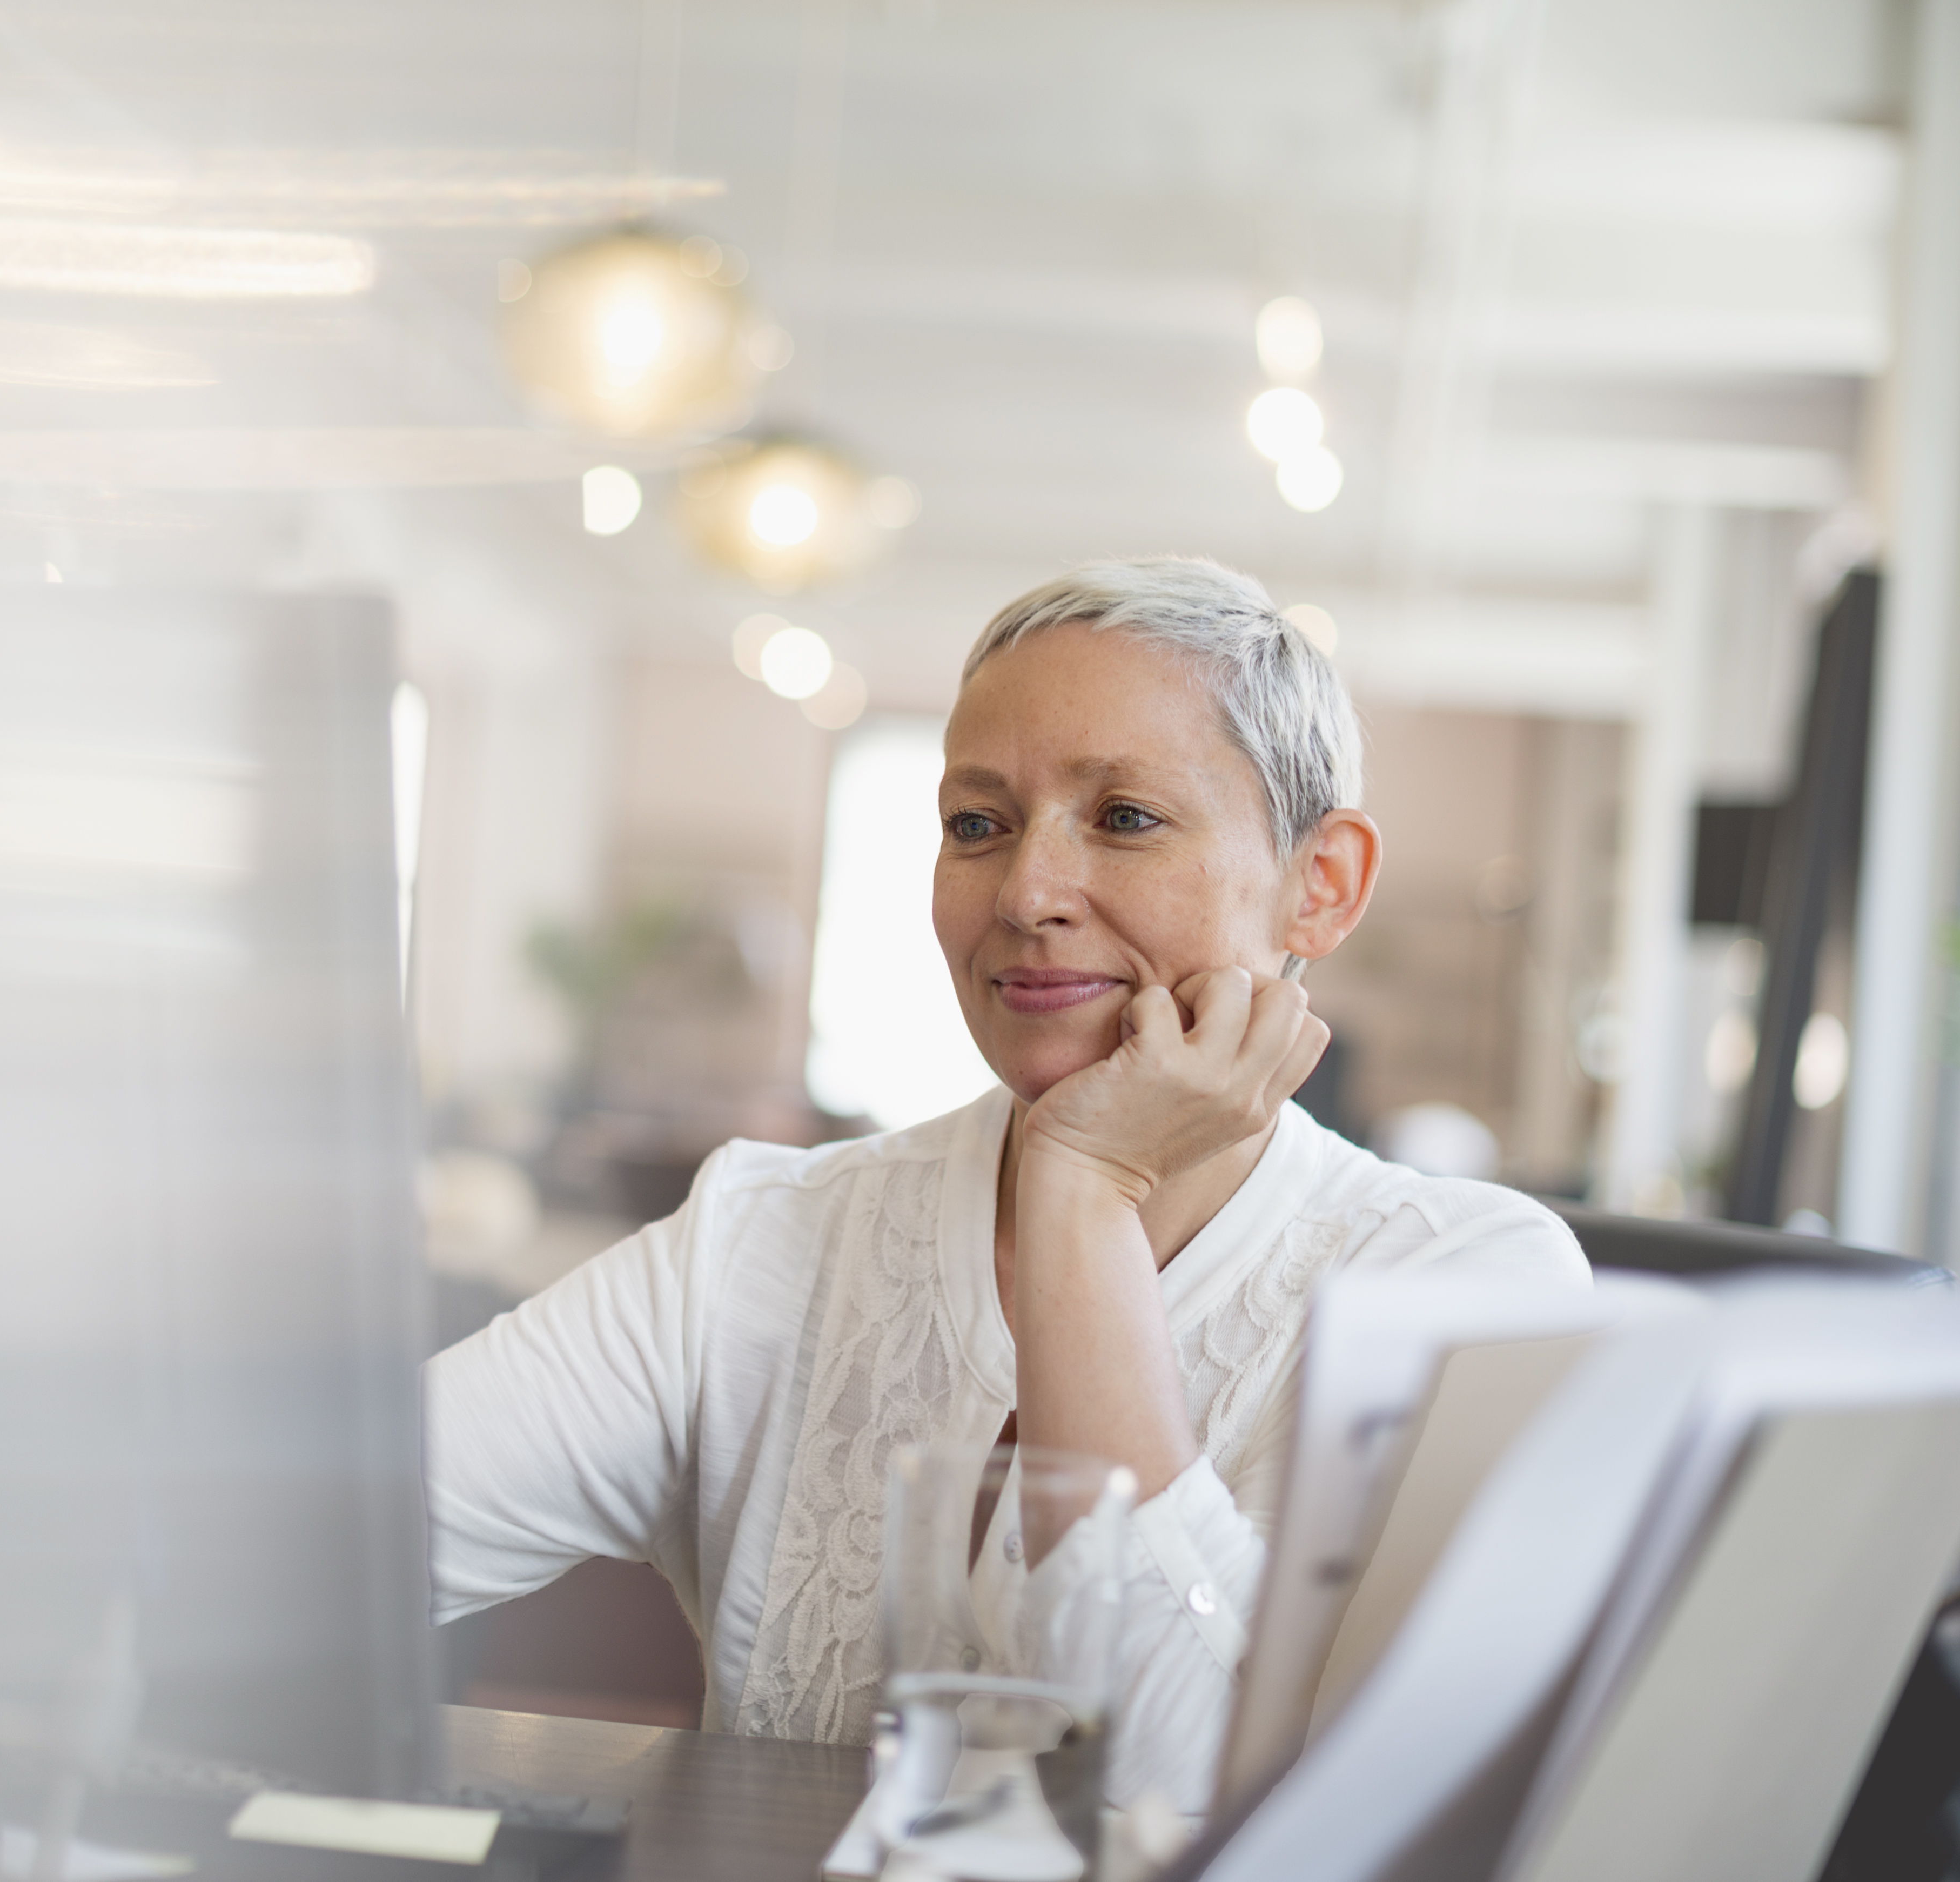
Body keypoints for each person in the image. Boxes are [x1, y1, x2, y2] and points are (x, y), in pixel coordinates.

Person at [423, 557, 1589, 1818]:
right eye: (976, 823)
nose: (1026, 894)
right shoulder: (766, 1233)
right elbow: (329, 1532)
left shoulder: (1473, 1293)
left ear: (1322, 883)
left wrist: (1083, 1189)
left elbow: (1176, 1802)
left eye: (1125, 817)